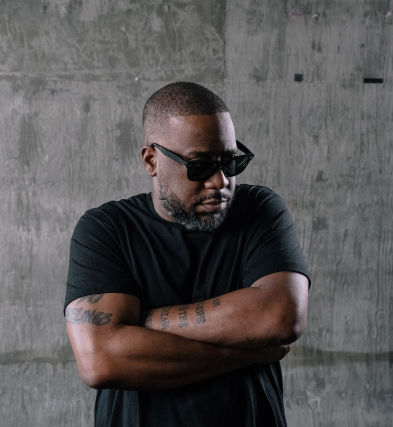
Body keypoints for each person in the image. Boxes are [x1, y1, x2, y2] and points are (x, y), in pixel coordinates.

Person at [64, 82, 311, 427]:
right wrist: (250, 352)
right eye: (199, 166)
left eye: (230, 162)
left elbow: (281, 315)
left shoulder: (257, 210)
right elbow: (100, 361)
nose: (220, 182)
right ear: (151, 160)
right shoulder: (107, 229)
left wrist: (142, 325)